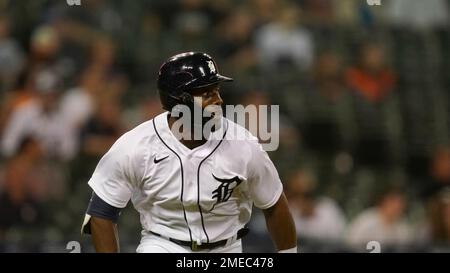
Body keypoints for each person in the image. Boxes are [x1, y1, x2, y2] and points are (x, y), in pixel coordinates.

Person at [81, 52, 297, 253]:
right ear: (179, 100)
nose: (219, 100)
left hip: (227, 248)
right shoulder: (135, 146)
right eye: (207, 94)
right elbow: (101, 214)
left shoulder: (243, 144)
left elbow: (274, 203)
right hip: (163, 245)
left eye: (217, 91)